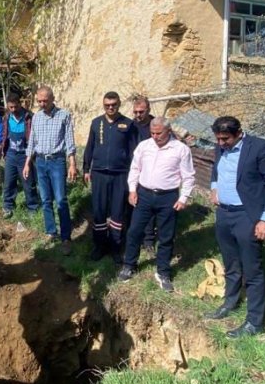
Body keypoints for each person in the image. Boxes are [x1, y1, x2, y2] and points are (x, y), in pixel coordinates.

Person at [204, 116, 265, 338]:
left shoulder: (260, 148)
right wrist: (214, 187)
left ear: (239, 132)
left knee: (252, 270)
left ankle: (255, 322)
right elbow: (216, 170)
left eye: (225, 139)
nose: (221, 143)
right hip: (224, 214)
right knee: (231, 264)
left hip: (247, 215)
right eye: (218, 139)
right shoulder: (220, 147)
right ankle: (230, 303)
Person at [118, 117, 195, 291]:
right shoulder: (144, 146)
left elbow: (188, 176)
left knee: (166, 236)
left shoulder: (180, 149)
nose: (155, 136)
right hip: (144, 195)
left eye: (159, 133)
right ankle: (129, 265)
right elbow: (135, 169)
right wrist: (132, 190)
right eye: (152, 133)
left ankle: (163, 272)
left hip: (168, 197)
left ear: (168, 131)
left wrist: (183, 198)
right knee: (134, 231)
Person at [83, 92, 138, 262]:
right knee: (99, 210)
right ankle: (99, 246)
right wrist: (86, 168)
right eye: (107, 105)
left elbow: (133, 153)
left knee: (117, 211)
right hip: (99, 173)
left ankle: (115, 247)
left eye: (114, 104)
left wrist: (133, 176)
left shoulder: (128, 124)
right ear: (103, 105)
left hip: (120, 174)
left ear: (119, 104)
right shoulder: (96, 123)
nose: (111, 107)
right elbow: (89, 147)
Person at [23, 86, 77, 256]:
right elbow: (31, 142)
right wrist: (27, 163)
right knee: (45, 199)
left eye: (45, 100)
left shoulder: (64, 116)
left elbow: (69, 142)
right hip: (40, 162)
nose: (42, 103)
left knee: (61, 200)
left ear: (53, 98)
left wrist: (72, 164)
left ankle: (66, 237)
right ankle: (51, 231)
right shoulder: (37, 117)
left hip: (57, 161)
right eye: (39, 101)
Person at [0, 92, 40, 218]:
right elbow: (4, 134)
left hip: (25, 155)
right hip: (11, 155)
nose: (13, 110)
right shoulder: (7, 117)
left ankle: (32, 207)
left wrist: (32, 155)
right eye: (10, 107)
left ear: (20, 104)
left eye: (15, 107)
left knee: (28, 183)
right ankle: (7, 207)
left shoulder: (29, 117)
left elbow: (35, 137)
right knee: (9, 183)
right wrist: (4, 151)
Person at [131, 95, 157, 252]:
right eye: (135, 112)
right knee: (134, 203)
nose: (138, 115)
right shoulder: (131, 126)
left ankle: (148, 240)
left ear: (148, 110)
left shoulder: (156, 126)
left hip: (151, 171)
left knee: (149, 207)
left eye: (141, 112)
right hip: (134, 169)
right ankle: (134, 236)